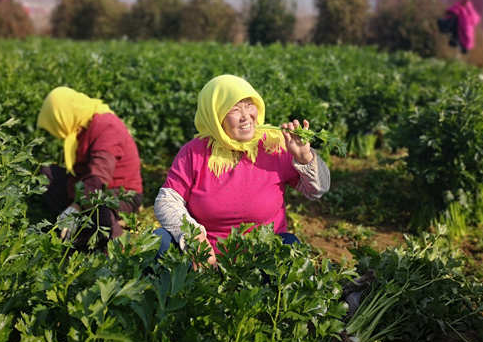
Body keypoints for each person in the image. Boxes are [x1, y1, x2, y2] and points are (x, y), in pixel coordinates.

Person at [153, 74, 330, 266]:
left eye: (249, 105)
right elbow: (167, 200)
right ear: (216, 117)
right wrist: (194, 238)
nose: (246, 116)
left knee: (289, 246)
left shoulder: (274, 145)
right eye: (234, 109)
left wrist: (304, 157)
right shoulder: (194, 153)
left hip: (261, 258)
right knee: (160, 241)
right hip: (206, 259)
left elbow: (317, 190)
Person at [37, 86, 143, 250]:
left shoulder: (107, 126)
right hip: (88, 188)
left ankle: (114, 246)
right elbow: (82, 175)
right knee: (47, 175)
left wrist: (76, 206)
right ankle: (81, 230)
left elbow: (98, 176)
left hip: (121, 193)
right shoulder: (81, 127)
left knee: (98, 208)